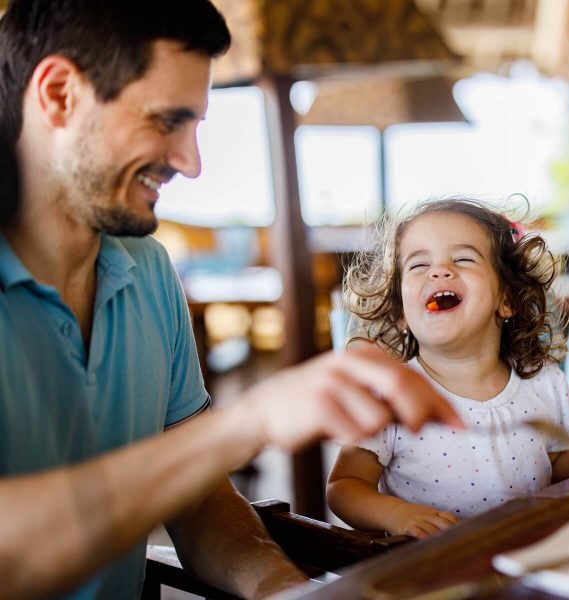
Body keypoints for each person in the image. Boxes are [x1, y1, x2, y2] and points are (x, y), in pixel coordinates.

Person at [0, 1, 461, 598]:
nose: (191, 163)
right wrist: (251, 421)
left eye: (196, 126)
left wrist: (282, 589)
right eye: (168, 121)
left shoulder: (147, 270)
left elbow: (198, 498)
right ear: (59, 94)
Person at [326, 198, 569, 539]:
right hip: (432, 570)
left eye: (463, 258)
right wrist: (398, 515)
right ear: (402, 313)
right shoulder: (393, 395)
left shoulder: (544, 382)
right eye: (419, 265)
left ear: (506, 299)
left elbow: (557, 460)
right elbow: (344, 486)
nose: (439, 270)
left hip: (525, 555)